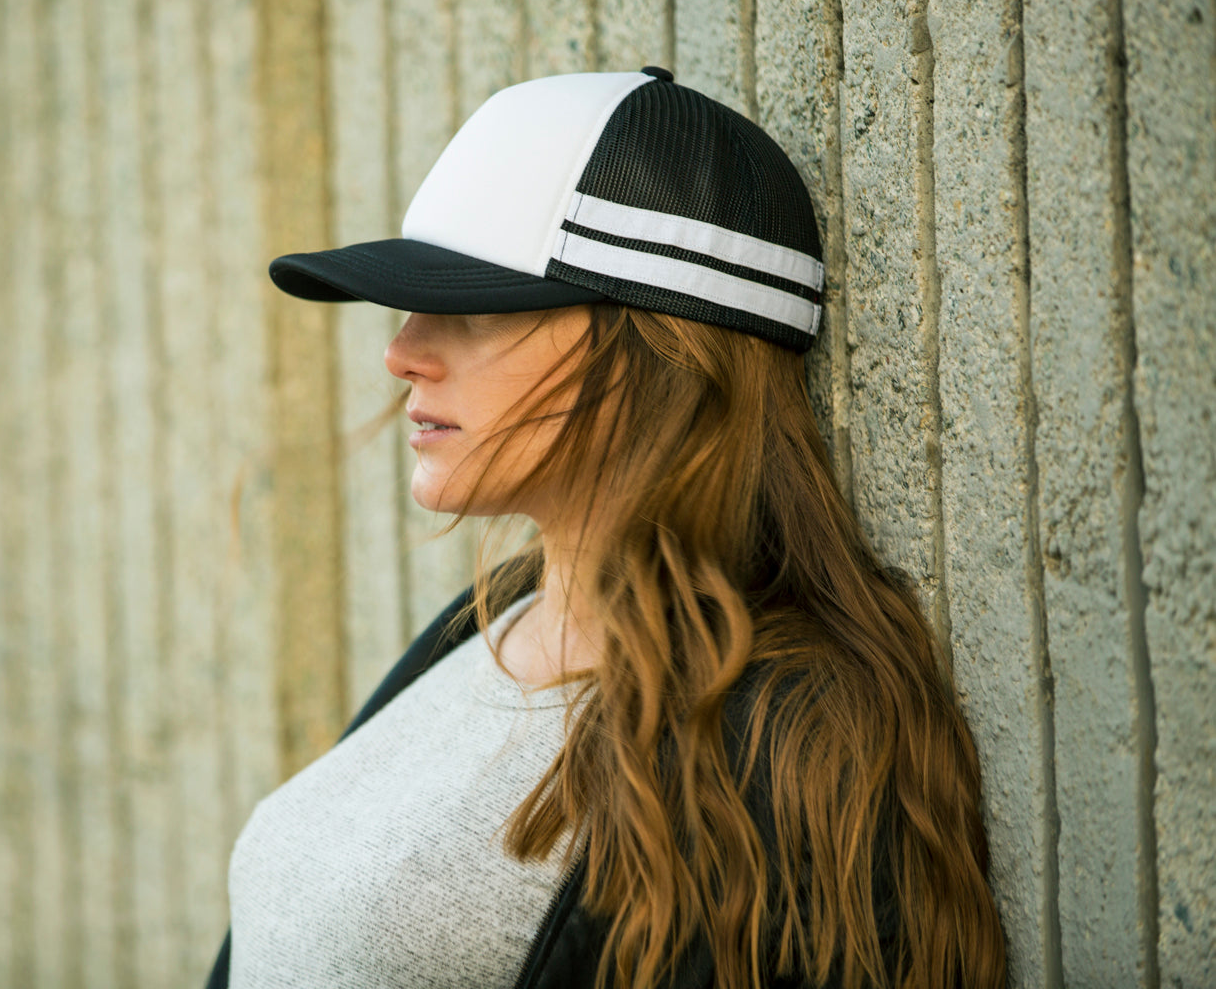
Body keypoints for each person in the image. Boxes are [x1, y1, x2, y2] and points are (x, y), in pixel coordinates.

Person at [209, 67, 1006, 989]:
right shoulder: (493, 621)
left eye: (472, 305)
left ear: (657, 347)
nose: (401, 353)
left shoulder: (780, 746)